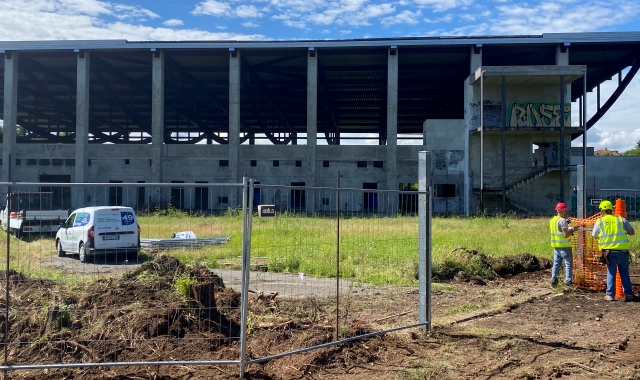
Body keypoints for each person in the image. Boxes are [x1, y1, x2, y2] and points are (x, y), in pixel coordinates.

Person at [592, 200, 636, 301]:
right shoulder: (621, 220)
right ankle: (629, 295)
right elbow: (632, 232)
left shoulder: (599, 221)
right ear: (612, 210)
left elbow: (594, 235)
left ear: (602, 211)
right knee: (624, 272)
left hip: (608, 252)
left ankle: (609, 295)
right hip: (622, 251)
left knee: (611, 273)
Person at [550, 202, 576, 287]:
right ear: (560, 211)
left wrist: (568, 226)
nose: (566, 212)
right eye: (565, 211)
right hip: (564, 246)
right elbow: (566, 235)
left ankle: (554, 281)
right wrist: (573, 230)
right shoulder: (562, 221)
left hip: (556, 245)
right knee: (568, 263)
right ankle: (568, 282)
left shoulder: (553, 220)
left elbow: (559, 230)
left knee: (556, 263)